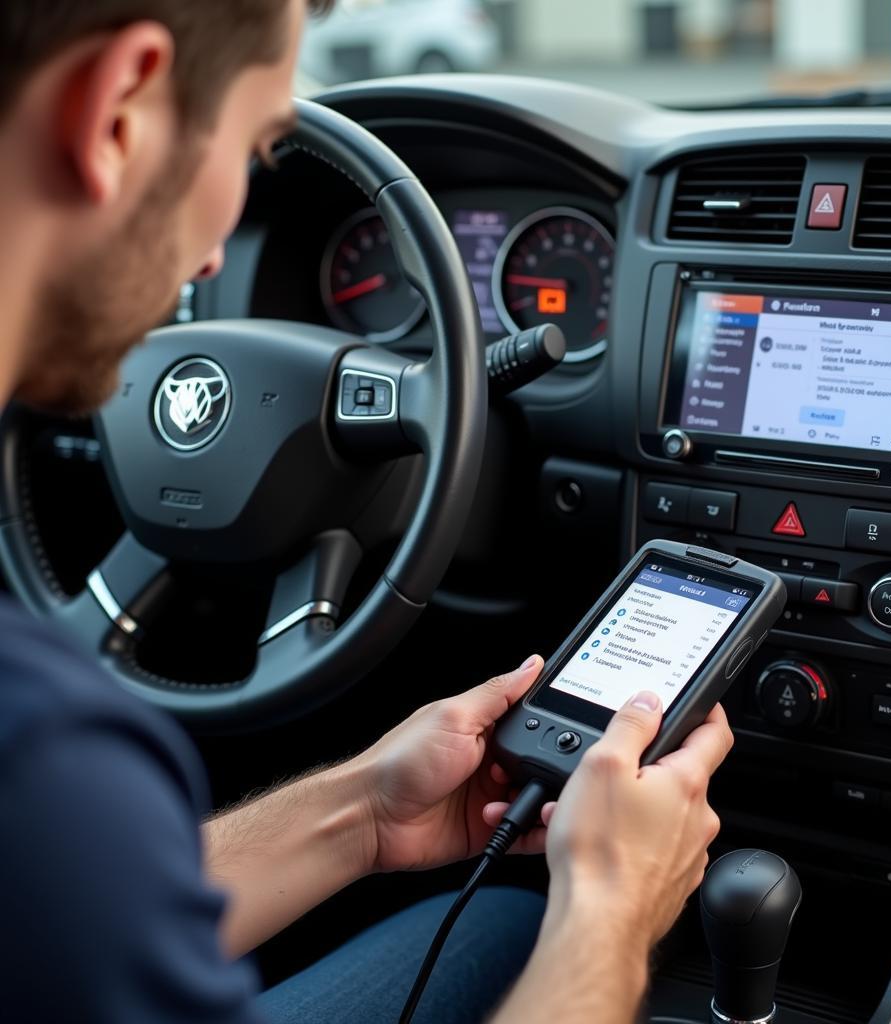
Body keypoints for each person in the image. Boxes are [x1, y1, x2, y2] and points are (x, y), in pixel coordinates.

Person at [0, 1, 734, 1021]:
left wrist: (358, 813)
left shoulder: (38, 764)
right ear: (116, 109)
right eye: (257, 146)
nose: (214, 259)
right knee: (520, 922)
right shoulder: (49, 746)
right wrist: (611, 904)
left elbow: (61, 915)